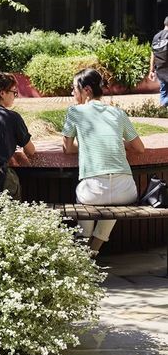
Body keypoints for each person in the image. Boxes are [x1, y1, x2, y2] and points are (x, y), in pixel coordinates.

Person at [62, 68, 145, 253]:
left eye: (75, 88)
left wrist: (86, 144)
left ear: (87, 90)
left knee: (87, 204)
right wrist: (118, 142)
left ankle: (84, 246)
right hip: (126, 191)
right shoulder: (118, 113)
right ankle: (93, 254)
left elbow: (67, 149)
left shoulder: (75, 111)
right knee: (113, 204)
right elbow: (139, 148)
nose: (72, 92)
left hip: (92, 192)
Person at [148, 16, 168, 107]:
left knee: (163, 93)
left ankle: (162, 110)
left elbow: (153, 54)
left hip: (160, 70)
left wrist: (151, 70)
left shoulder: (156, 37)